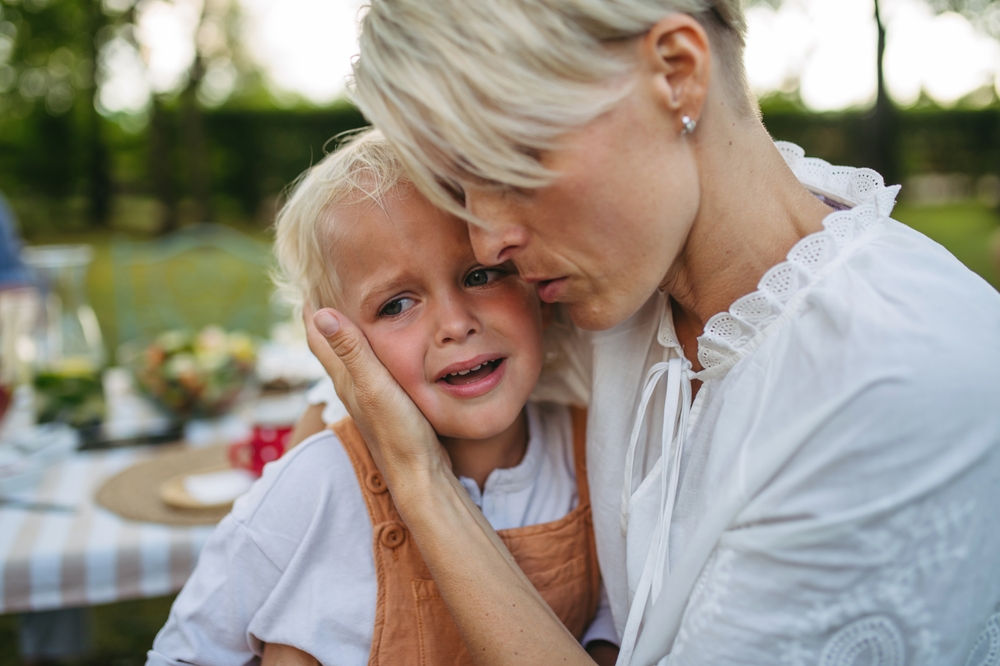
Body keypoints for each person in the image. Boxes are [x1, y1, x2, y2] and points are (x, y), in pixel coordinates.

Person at [303, 0, 1000, 663]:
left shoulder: (898, 385)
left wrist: (419, 482)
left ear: (675, 73)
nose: (486, 244)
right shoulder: (625, 269)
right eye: (459, 188)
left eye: (505, 166)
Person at [146, 129, 619, 666]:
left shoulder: (594, 451)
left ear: (541, 295)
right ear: (340, 345)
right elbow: (183, 654)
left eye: (481, 275)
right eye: (396, 305)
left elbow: (611, 617)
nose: (456, 324)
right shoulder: (316, 486)